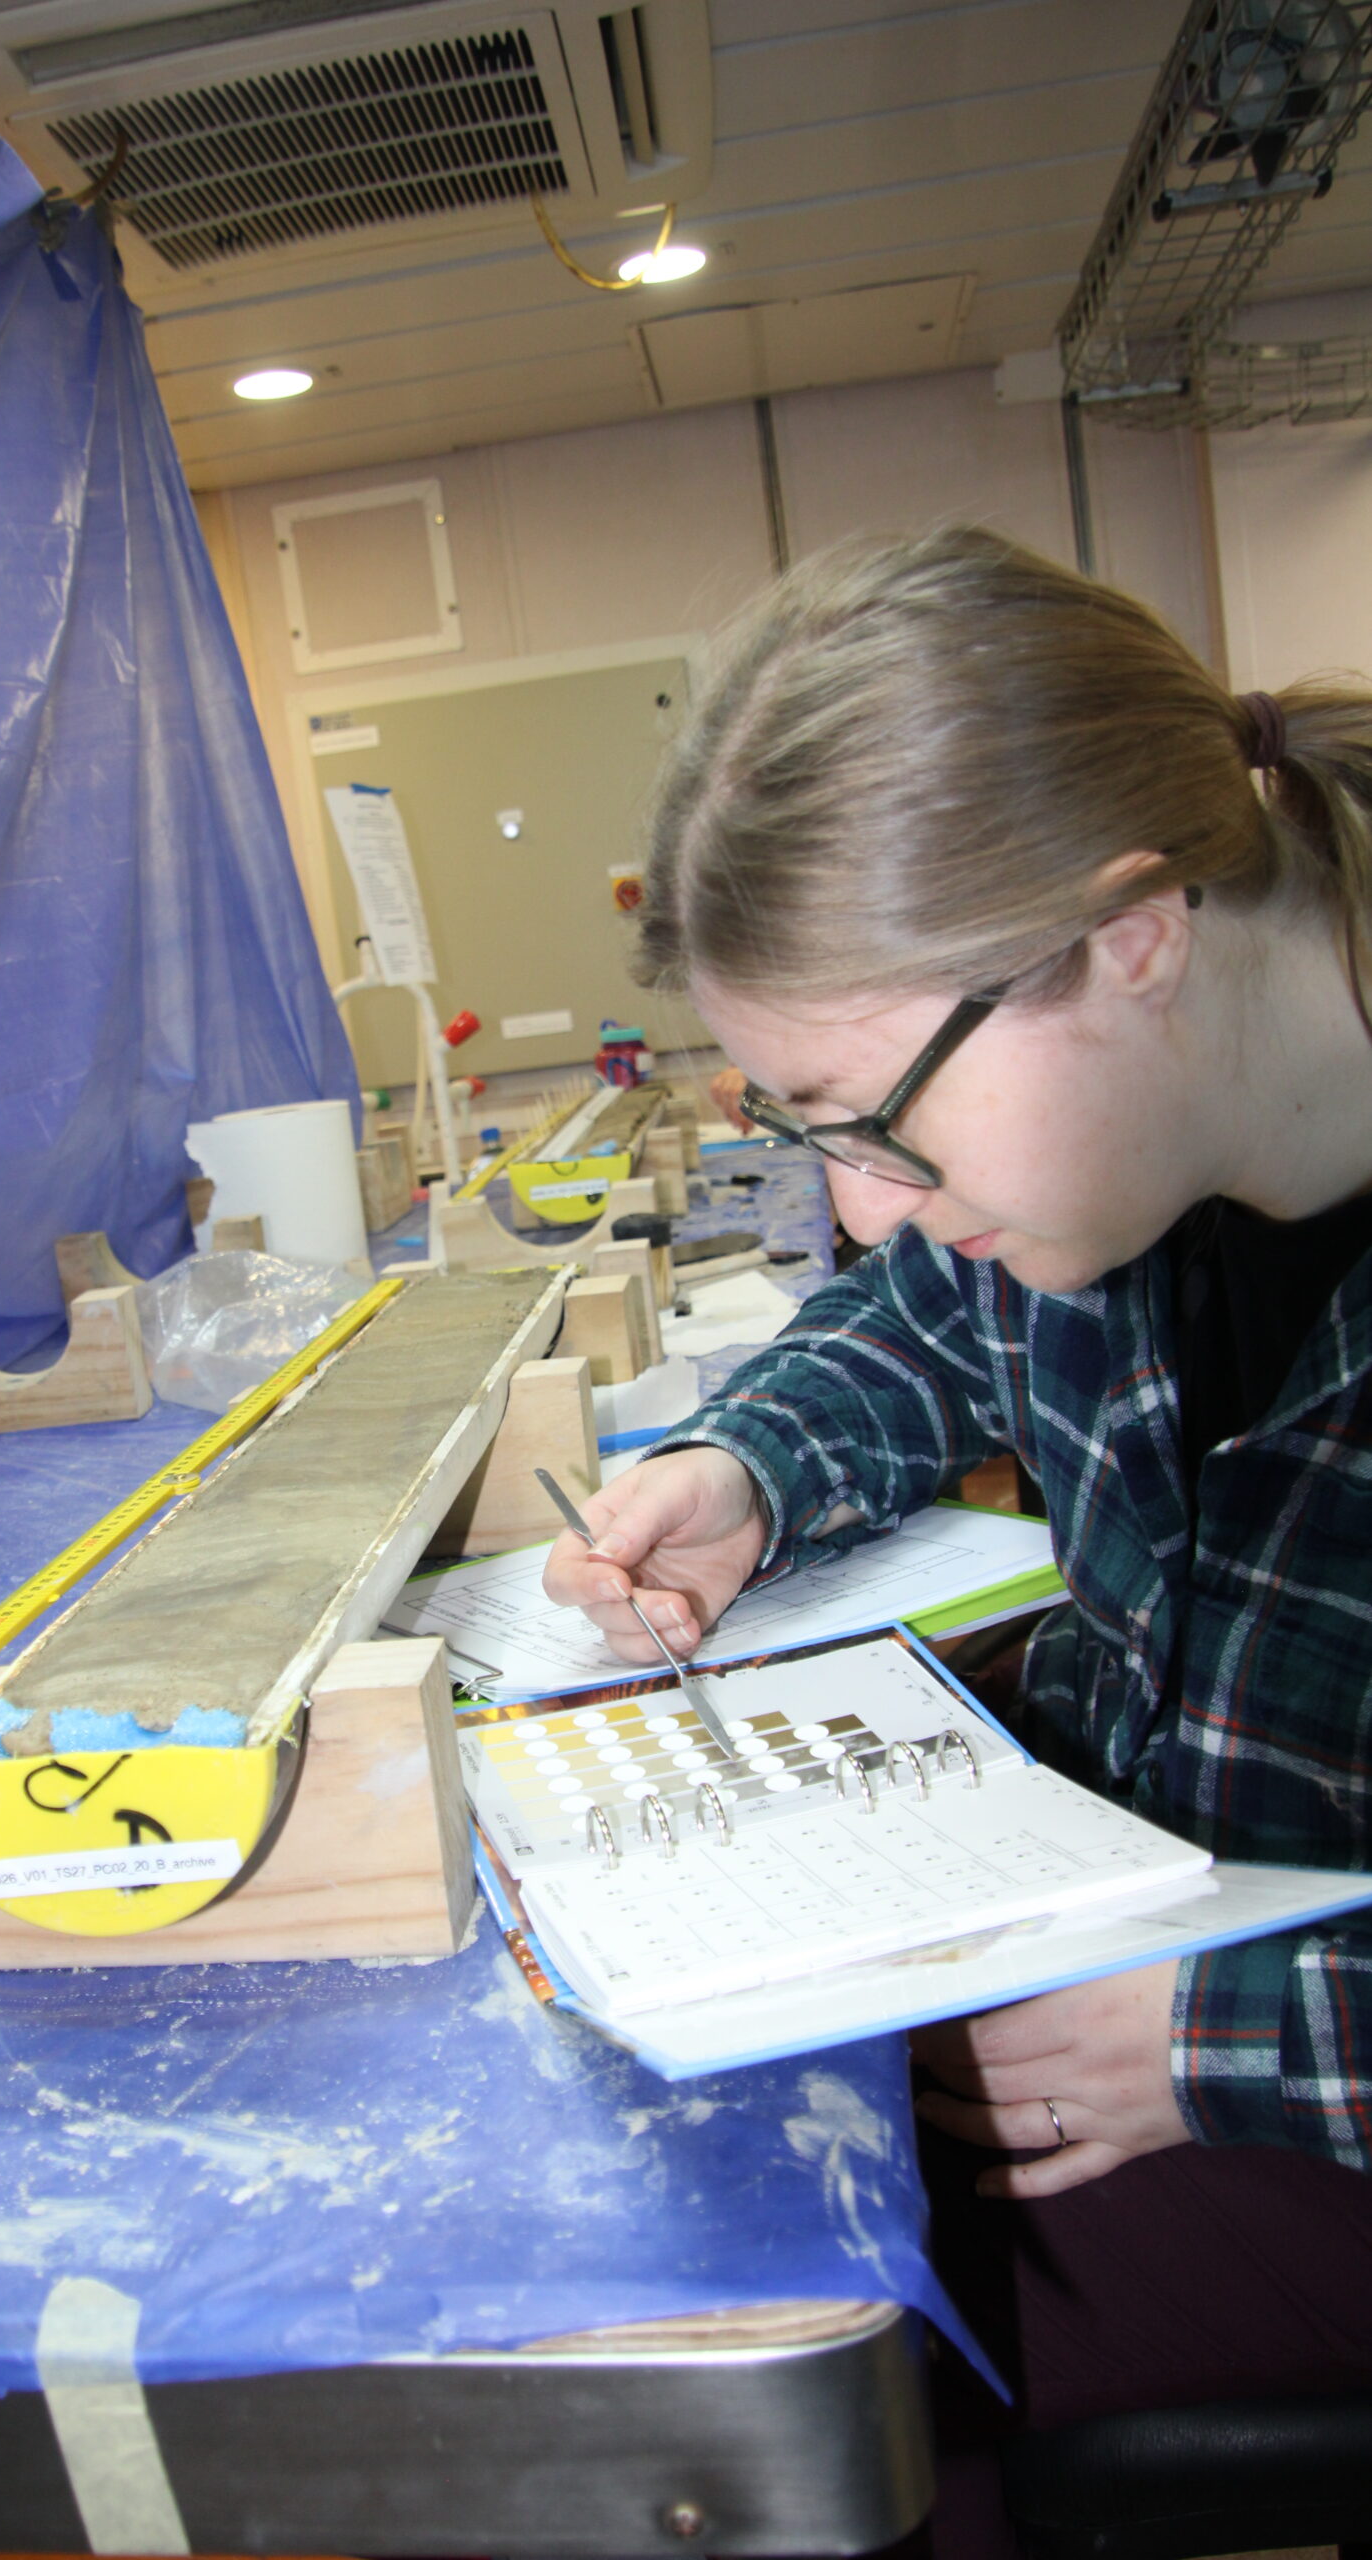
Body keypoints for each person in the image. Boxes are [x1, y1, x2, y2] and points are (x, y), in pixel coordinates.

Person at [540, 525, 1372, 2556]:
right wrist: (744, 1463)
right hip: (1102, 1924)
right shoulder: (1095, 1158)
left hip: (1289, 2074)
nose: (862, 1202)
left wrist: (1221, 2035)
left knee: (768, 2374)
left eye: (867, 1119)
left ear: (1129, 933)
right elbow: (908, 1316)